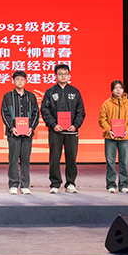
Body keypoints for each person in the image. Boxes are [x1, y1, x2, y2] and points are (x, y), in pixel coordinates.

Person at [41, 63, 86, 194]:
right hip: (56, 131)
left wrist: (75, 125)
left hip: (71, 131)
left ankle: (70, 183)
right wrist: (53, 124)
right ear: (56, 75)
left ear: (69, 75)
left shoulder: (75, 92)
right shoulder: (50, 92)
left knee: (71, 158)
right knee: (54, 158)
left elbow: (81, 112)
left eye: (65, 74)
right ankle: (55, 183)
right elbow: (45, 110)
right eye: (60, 74)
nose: (63, 76)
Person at [1, 70, 40, 195]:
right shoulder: (8, 96)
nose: (20, 82)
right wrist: (11, 127)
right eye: (17, 79)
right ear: (13, 81)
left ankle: (24, 185)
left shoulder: (31, 96)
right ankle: (13, 184)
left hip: (27, 134)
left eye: (22, 79)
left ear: (25, 81)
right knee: (13, 159)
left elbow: (36, 113)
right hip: (13, 134)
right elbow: (4, 113)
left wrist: (31, 127)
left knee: (25, 159)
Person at [99, 80, 128, 193]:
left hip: (125, 138)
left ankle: (123, 185)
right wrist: (109, 130)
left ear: (123, 90)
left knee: (124, 162)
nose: (118, 90)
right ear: (112, 90)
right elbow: (102, 119)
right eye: (116, 88)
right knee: (110, 162)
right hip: (110, 137)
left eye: (120, 88)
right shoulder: (107, 104)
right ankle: (111, 185)